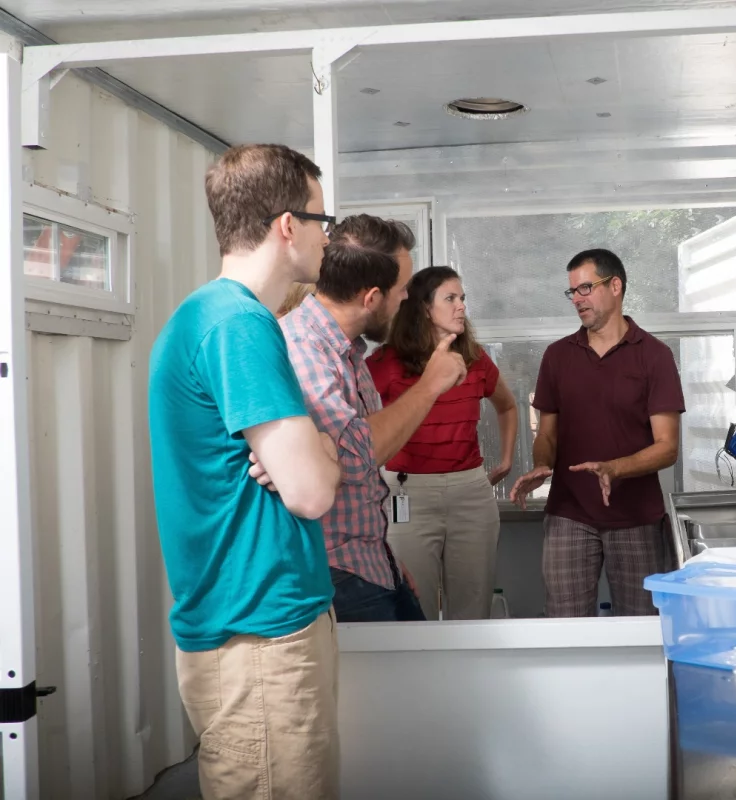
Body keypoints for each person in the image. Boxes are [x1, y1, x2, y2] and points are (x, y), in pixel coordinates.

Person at [148, 143, 344, 797]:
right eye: (321, 219)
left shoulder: (214, 315)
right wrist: (323, 453)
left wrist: (315, 446)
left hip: (258, 630)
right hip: (260, 637)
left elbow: (298, 469)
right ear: (288, 225)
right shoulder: (237, 326)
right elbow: (311, 491)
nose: (326, 236)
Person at [280, 215, 468, 623]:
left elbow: (364, 472)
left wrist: (386, 559)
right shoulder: (304, 349)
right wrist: (429, 385)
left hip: (369, 564)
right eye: (402, 290)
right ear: (371, 298)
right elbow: (353, 459)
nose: (407, 299)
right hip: (337, 574)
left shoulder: (348, 350)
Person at [509, 248, 686, 617]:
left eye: (585, 288)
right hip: (569, 514)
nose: (577, 299)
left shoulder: (654, 355)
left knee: (641, 626)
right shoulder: (557, 356)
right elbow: (547, 434)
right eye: (572, 291)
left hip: (637, 517)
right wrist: (542, 464)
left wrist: (614, 468)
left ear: (615, 286)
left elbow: (667, 447)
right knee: (566, 626)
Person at [366, 266, 519, 621]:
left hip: (471, 493)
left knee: (474, 607)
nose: (461, 306)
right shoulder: (384, 363)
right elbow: (360, 428)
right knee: (413, 606)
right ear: (424, 308)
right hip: (408, 493)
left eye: (462, 298)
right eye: (450, 298)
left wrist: (507, 459)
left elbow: (508, 406)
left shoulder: (475, 358)